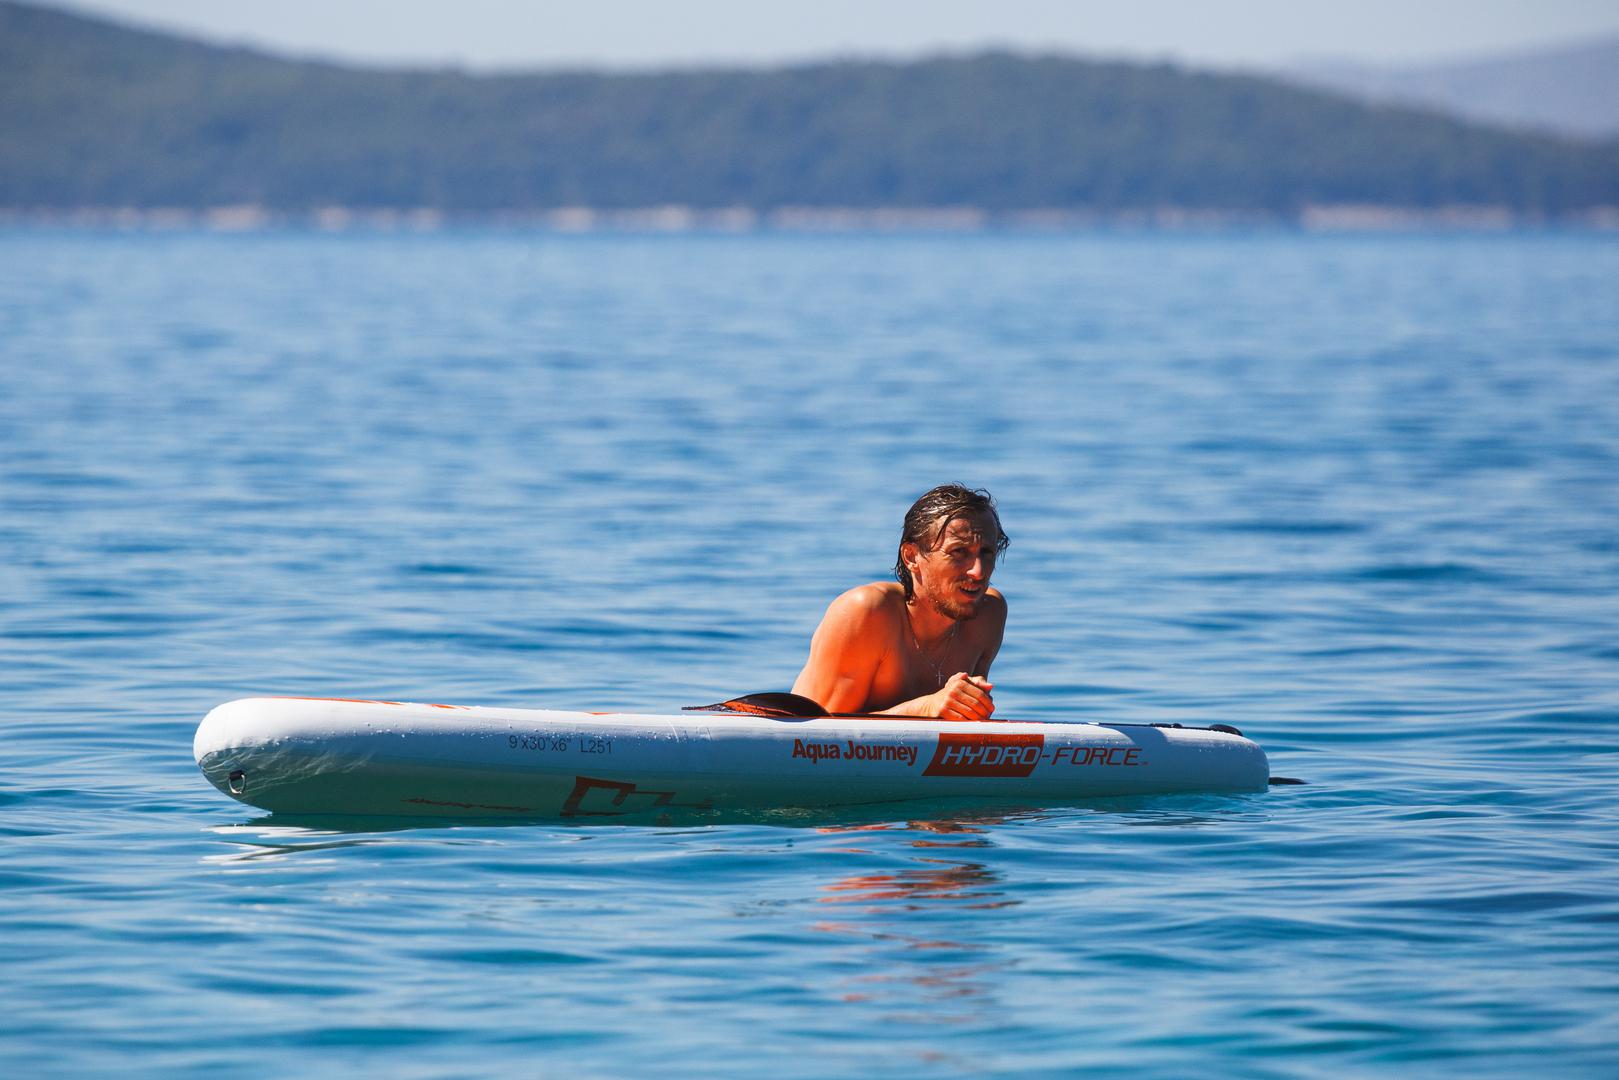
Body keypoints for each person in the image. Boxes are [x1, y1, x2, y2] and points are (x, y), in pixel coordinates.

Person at [791, 484, 1008, 719]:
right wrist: (923, 709)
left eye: (986, 553)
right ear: (911, 557)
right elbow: (816, 735)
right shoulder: (867, 612)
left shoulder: (987, 616)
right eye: (958, 552)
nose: (978, 571)